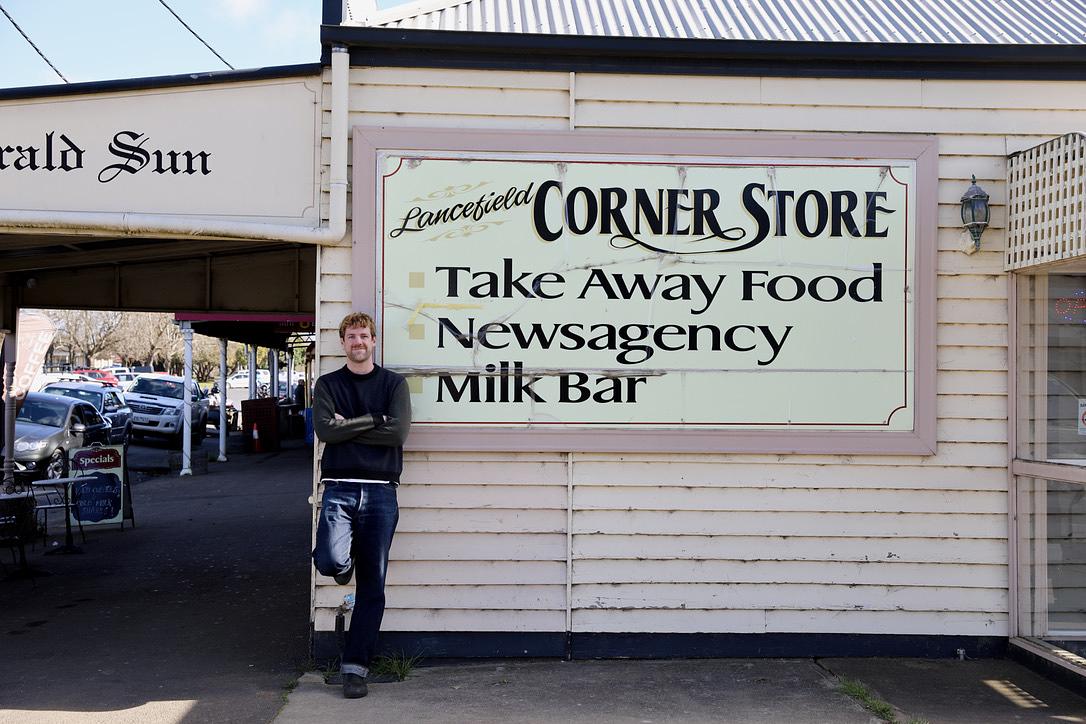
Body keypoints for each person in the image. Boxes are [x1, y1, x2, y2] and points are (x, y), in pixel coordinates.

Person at [311, 312, 411, 699]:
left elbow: (397, 433)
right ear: (343, 342)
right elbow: (325, 430)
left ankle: (355, 669)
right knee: (330, 561)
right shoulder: (328, 384)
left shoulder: (393, 384)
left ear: (374, 341)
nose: (358, 342)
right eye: (351, 336)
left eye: (364, 336)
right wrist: (374, 419)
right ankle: (343, 565)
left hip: (382, 491)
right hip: (339, 487)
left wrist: (348, 427)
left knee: (373, 585)